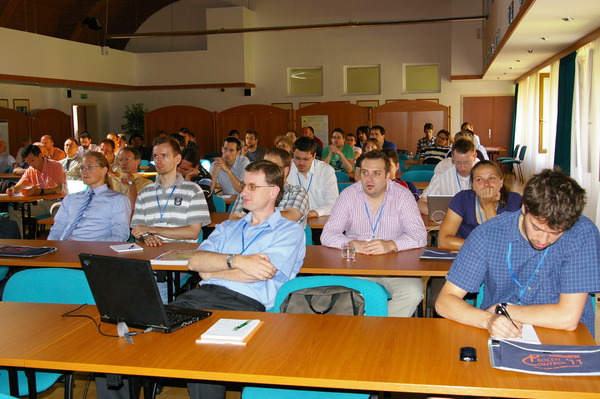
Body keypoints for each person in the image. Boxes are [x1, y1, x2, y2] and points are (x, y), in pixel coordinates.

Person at [436, 168, 600, 338]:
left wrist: (504, 309)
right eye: (536, 227)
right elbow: (444, 302)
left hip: (565, 337)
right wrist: (488, 319)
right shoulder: (488, 234)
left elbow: (567, 318)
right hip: (503, 333)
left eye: (556, 232)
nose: (543, 240)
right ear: (524, 207)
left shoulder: (582, 232)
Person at [321, 150, 427, 317]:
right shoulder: (348, 195)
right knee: (339, 294)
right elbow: (327, 234)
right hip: (356, 264)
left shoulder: (403, 196)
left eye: (376, 173)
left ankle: (375, 333)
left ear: (388, 175)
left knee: (413, 293)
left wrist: (391, 244)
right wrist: (354, 244)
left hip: (395, 265)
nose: (369, 179)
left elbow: (420, 236)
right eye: (365, 173)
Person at [131, 137, 211, 302]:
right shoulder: (145, 192)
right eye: (155, 156)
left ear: (177, 159)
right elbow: (137, 229)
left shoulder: (193, 191)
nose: (158, 160)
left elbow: (193, 232)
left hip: (179, 259)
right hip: (149, 256)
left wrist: (153, 229)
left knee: (154, 292)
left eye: (164, 155)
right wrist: (147, 236)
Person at [438, 161, 522, 250]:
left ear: (501, 182)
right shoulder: (462, 198)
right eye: (479, 179)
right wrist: (482, 248)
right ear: (473, 185)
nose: (486, 184)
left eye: (492, 178)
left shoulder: (514, 200)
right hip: (467, 257)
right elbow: (443, 242)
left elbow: (504, 242)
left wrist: (488, 205)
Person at [48, 152, 131, 241]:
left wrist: (87, 246)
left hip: (92, 250)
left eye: (90, 167)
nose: (84, 171)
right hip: (63, 249)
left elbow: (120, 236)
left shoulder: (117, 200)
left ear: (104, 170)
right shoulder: (70, 198)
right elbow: (57, 229)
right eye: (82, 168)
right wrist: (51, 248)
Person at [230, 148, 309, 227]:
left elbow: (288, 218)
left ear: (285, 170)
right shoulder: (248, 190)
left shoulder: (297, 192)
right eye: (263, 165)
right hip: (250, 237)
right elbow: (233, 219)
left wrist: (254, 217)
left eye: (271, 167)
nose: (265, 170)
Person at [418, 139, 478, 215]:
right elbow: (421, 203)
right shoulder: (442, 176)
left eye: (467, 163)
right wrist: (446, 216)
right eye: (458, 162)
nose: (462, 167)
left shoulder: (485, 176)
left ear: (475, 156)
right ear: (452, 157)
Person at [287, 137, 338, 218]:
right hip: (293, 220)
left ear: (314, 156)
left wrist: (314, 213)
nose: (301, 163)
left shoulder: (326, 171)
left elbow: (333, 202)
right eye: (297, 158)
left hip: (319, 220)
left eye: (306, 159)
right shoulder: (287, 170)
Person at [178, 147, 216, 213]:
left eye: (185, 169)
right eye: (177, 167)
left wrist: (187, 179)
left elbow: (196, 199)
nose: (179, 172)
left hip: (203, 214)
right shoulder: (174, 173)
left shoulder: (205, 177)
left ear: (196, 167)